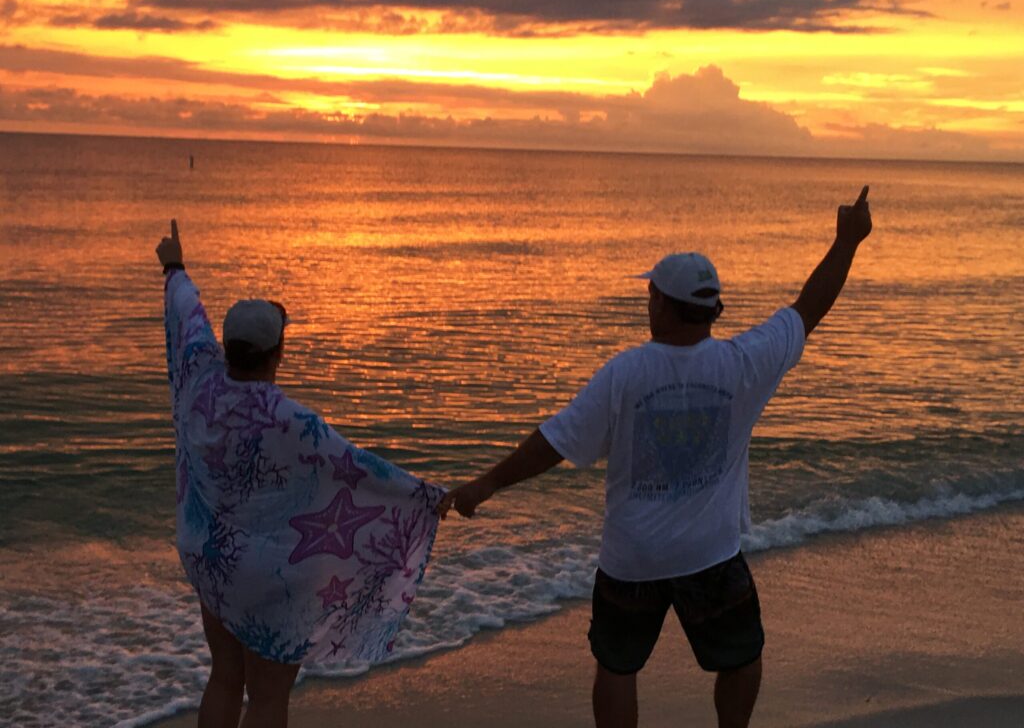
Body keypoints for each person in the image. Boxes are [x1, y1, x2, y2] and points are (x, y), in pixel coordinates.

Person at [437, 187, 873, 728]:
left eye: (651, 295)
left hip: (633, 559)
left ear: (663, 304)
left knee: (618, 667)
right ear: (712, 310)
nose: (648, 303)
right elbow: (809, 309)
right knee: (741, 658)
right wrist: (847, 242)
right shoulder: (744, 364)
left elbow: (556, 440)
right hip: (710, 553)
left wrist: (486, 484)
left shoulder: (626, 373)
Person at [156, 220, 444, 728]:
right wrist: (430, 497)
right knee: (267, 698)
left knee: (224, 678)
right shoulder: (292, 422)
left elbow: (187, 314)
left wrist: (174, 265)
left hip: (212, 558)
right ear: (279, 353)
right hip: (273, 578)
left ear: (227, 346)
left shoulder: (200, 380)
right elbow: (362, 471)